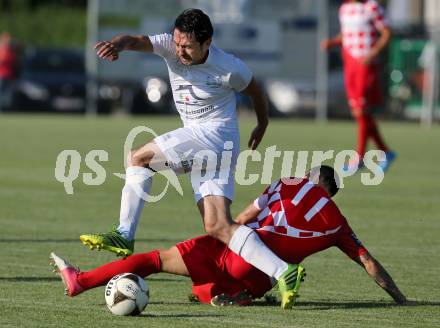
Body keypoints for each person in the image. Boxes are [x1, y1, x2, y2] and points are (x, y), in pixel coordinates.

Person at [79, 8, 300, 309]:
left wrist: (262, 124)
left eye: (187, 46)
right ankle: (285, 272)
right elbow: (133, 39)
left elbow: (256, 92)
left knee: (139, 157)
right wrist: (117, 45)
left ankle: (123, 234)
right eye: (177, 42)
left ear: (207, 42)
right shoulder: (171, 45)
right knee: (218, 226)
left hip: (215, 135)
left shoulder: (229, 67)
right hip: (214, 145)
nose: (179, 50)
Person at [52, 166, 407, 306]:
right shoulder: (338, 224)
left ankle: (80, 282)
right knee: (210, 287)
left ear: (310, 178)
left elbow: (239, 220)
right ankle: (234, 294)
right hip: (260, 276)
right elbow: (368, 263)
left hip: (242, 249)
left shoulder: (286, 183)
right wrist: (400, 300)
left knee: (154, 260)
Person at [321, 0, 396, 172]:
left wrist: (373, 53)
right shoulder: (345, 8)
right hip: (350, 62)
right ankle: (385, 151)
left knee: (361, 110)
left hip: (365, 63)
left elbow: (386, 32)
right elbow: (347, 34)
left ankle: (360, 157)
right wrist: (333, 42)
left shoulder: (372, 7)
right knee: (359, 111)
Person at [0, 32, 19, 112]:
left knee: (7, 93)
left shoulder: (11, 51)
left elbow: (15, 62)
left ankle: (5, 109)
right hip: (1, 75)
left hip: (9, 75)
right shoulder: (2, 50)